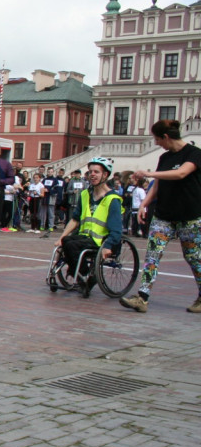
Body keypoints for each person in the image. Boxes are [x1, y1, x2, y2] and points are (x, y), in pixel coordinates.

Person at [120, 119, 201, 314]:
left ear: (166, 137)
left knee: (193, 257)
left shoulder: (194, 154)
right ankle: (142, 297)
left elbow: (182, 173)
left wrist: (148, 172)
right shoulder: (164, 158)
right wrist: (144, 204)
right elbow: (157, 185)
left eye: (157, 139)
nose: (156, 143)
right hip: (164, 216)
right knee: (152, 255)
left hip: (189, 216)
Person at [54, 157, 123, 291]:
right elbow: (75, 219)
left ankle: (84, 274)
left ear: (105, 175)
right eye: (90, 172)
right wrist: (61, 237)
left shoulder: (113, 199)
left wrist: (108, 246)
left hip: (101, 240)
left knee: (71, 244)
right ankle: (83, 274)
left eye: (96, 172)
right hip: (84, 237)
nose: (92, 174)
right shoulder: (85, 194)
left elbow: (116, 229)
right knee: (66, 241)